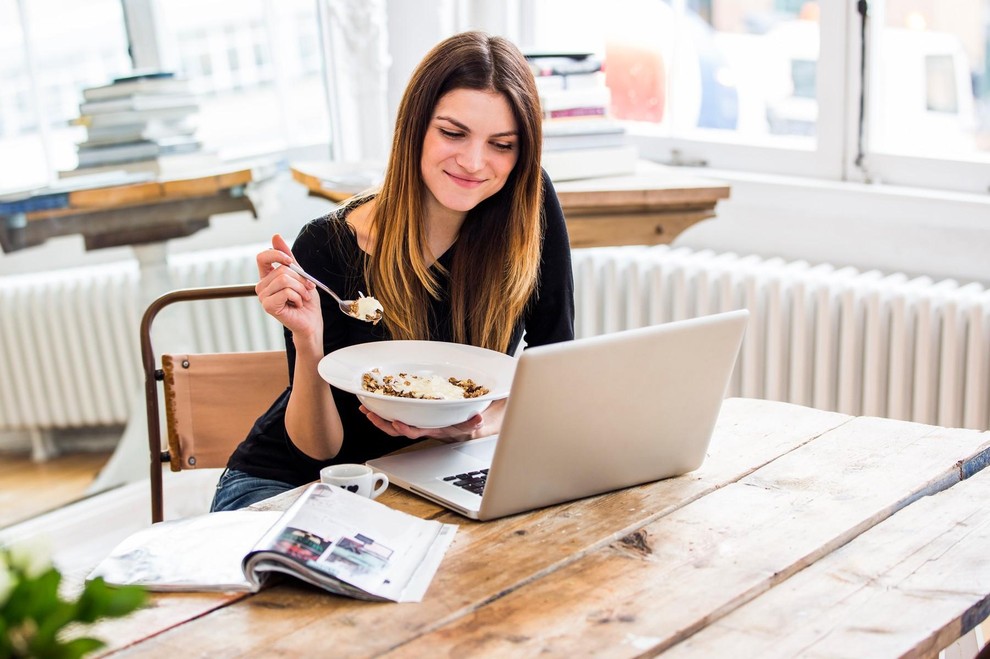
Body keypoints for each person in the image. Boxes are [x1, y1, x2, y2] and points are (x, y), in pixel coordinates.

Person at [211, 30, 575, 512]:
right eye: (453, 133)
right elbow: (318, 450)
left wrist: (476, 424)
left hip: (435, 475)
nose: (474, 162)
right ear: (414, 128)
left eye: (502, 144)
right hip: (295, 485)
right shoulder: (327, 246)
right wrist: (307, 341)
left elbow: (556, 368)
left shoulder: (529, 209)